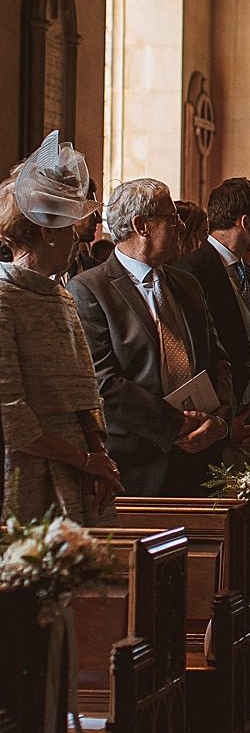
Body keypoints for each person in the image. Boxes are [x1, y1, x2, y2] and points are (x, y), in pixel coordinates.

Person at [68, 178, 231, 498]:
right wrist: (176, 427)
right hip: (139, 465)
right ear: (141, 225)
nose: (181, 225)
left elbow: (218, 359)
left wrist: (220, 421)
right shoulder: (90, 289)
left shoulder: (187, 284)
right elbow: (103, 382)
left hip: (202, 459)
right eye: (172, 218)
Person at [0, 134, 120, 521]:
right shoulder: (4, 298)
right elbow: (11, 413)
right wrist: (85, 460)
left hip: (80, 472)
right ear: (48, 231)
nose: (76, 238)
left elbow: (86, 391)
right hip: (27, 475)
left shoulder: (61, 294)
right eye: (69, 227)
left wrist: (98, 454)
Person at [178, 177, 250, 414]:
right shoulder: (190, 270)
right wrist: (224, 416)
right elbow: (193, 354)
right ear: (246, 222)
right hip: (219, 415)